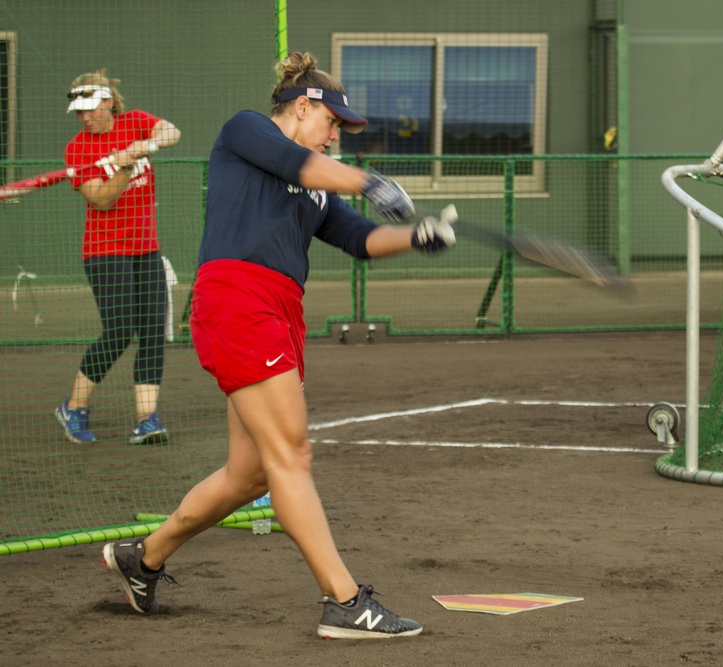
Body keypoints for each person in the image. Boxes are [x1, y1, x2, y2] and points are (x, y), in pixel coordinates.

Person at [100, 52, 456, 639]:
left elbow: (361, 239)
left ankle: (144, 559)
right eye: (333, 123)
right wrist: (371, 181)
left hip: (276, 308)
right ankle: (343, 602)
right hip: (238, 298)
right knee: (292, 456)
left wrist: (416, 236)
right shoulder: (248, 130)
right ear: (302, 106)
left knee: (251, 475)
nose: (336, 135)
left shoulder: (316, 183)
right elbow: (295, 161)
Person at [56, 70, 181, 444]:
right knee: (119, 332)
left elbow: (172, 132)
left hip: (147, 248)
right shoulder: (77, 149)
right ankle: (73, 408)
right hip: (105, 251)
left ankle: (147, 419)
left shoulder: (135, 122)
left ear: (108, 101)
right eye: (79, 111)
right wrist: (125, 166)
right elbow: (102, 199)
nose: (85, 117)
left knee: (152, 333)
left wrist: (146, 146)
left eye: (91, 109)